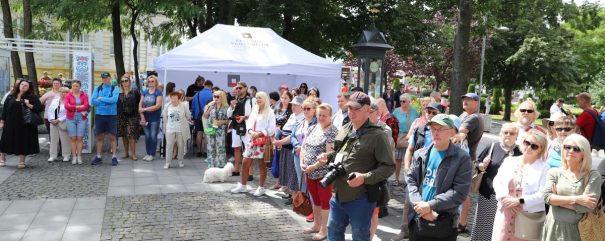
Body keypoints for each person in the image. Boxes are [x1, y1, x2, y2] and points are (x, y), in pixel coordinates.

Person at [319, 92, 395, 241]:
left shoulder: (378, 135)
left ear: (368, 110)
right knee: (333, 232)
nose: (352, 113)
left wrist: (364, 178)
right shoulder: (346, 127)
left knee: (360, 235)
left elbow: (389, 167)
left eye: (357, 109)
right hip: (338, 194)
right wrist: (328, 156)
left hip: (360, 197)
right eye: (349, 108)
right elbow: (339, 152)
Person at [405, 114, 471, 241]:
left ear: (452, 132)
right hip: (418, 218)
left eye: (440, 129)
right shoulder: (420, 154)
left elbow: (459, 192)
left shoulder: (462, 158)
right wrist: (420, 206)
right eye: (433, 129)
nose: (436, 132)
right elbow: (411, 181)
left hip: (444, 222)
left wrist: (430, 205)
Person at [393, 102, 442, 241]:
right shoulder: (419, 129)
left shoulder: (444, 132)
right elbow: (409, 149)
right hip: (417, 171)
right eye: (428, 111)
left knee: (429, 202)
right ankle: (405, 230)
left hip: (434, 173)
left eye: (434, 112)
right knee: (409, 201)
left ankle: (426, 231)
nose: (430, 115)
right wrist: (406, 167)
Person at [491, 130, 549, 241]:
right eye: (527, 143)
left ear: (541, 149)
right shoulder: (509, 161)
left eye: (534, 146)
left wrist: (520, 201)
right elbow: (498, 182)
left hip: (527, 216)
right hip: (506, 212)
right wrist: (505, 199)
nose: (528, 147)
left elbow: (543, 194)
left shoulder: (544, 168)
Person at [542, 134, 602, 241]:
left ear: (584, 153)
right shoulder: (554, 172)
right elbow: (547, 197)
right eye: (567, 147)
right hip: (553, 227)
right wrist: (577, 199)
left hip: (579, 230)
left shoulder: (593, 175)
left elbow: (587, 207)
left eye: (576, 149)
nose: (571, 150)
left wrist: (557, 200)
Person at [470, 123, 522, 241]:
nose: (508, 135)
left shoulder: (520, 152)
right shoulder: (493, 146)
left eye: (512, 133)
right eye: (505, 132)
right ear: (501, 134)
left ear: (517, 136)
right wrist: (482, 165)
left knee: (501, 228)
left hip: (508, 198)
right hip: (489, 194)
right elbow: (477, 162)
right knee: (484, 227)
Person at [300, 103, 338, 241]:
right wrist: (301, 163)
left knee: (325, 201)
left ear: (330, 116)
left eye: (324, 115)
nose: (321, 118)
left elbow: (328, 155)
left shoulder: (333, 131)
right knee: (315, 200)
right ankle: (316, 225)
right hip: (309, 171)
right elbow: (303, 147)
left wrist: (314, 166)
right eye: (319, 115)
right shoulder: (312, 128)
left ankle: (324, 229)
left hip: (323, 173)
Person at [451, 93, 485, 233]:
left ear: (476, 103)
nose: (465, 101)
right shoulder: (464, 115)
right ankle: (458, 220)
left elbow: (461, 133)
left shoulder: (473, 117)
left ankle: (462, 224)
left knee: (463, 193)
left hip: (465, 160)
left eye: (469, 99)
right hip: (461, 159)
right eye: (463, 98)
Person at [231, 92, 276, 196]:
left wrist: (259, 133)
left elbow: (272, 129)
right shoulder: (255, 110)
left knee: (262, 165)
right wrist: (251, 132)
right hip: (252, 140)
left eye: (260, 98)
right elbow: (249, 124)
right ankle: (243, 185)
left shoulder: (270, 112)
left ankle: (261, 187)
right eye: (256, 98)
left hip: (263, 141)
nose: (257, 100)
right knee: (246, 161)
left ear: (265, 99)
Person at [0, 80, 44, 168]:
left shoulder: (32, 97)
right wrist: (2, 121)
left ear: (29, 88)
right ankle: (2, 159)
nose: (23, 86)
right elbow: (4, 109)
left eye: (26, 85)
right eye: (22, 84)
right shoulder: (11, 96)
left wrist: (29, 105)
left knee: (23, 141)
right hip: (10, 122)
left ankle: (21, 161)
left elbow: (40, 108)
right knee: (5, 139)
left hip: (25, 124)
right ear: (19, 85)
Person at [91, 72, 121, 166]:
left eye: (106, 78)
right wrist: (106, 100)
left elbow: (114, 100)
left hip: (111, 115)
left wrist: (101, 99)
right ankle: (98, 156)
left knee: (112, 136)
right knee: (100, 137)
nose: (104, 79)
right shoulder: (97, 88)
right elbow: (93, 100)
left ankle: (114, 157)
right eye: (103, 78)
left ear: (110, 78)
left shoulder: (115, 88)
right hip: (100, 115)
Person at [227, 81, 255, 176]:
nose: (238, 90)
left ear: (245, 88)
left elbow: (255, 114)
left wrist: (244, 117)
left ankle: (250, 172)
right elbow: (228, 115)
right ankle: (236, 169)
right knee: (237, 148)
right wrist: (231, 106)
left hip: (247, 127)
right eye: (237, 88)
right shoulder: (235, 100)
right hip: (236, 127)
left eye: (240, 88)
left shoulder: (252, 100)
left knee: (248, 149)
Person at [392, 94, 418, 186]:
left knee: (409, 160)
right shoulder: (396, 111)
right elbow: (392, 124)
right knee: (398, 159)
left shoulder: (414, 111)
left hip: (410, 138)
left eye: (404, 101)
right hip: (399, 137)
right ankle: (396, 178)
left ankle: (408, 180)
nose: (402, 103)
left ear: (409, 101)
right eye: (401, 101)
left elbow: (416, 123)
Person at [270, 92, 294, 191]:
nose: (283, 99)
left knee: (285, 161)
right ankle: (279, 182)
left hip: (285, 138)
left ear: (290, 99)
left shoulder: (290, 112)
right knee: (277, 159)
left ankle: (286, 183)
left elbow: (283, 125)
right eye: (282, 97)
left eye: (286, 98)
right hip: (276, 136)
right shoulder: (277, 110)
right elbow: (273, 123)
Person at [162, 91, 191, 168]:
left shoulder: (183, 106)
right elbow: (165, 117)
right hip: (170, 129)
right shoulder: (167, 106)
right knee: (169, 146)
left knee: (181, 145)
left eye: (175, 98)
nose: (173, 100)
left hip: (180, 129)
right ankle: (168, 162)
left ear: (179, 99)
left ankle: (180, 161)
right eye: (172, 98)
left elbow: (188, 116)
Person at [138, 75, 163, 161]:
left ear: (156, 82)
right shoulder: (145, 92)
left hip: (154, 118)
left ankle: (152, 154)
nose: (150, 83)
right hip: (145, 117)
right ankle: (148, 153)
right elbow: (140, 104)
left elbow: (157, 106)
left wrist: (145, 109)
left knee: (153, 136)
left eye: (152, 81)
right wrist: (142, 116)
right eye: (149, 81)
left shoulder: (158, 93)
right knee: (147, 136)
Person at [64, 81, 89, 165]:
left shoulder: (84, 95)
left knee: (79, 138)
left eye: (77, 86)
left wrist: (73, 107)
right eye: (74, 86)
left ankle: (79, 156)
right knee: (73, 138)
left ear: (80, 87)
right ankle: (74, 157)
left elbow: (86, 106)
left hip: (82, 118)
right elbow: (66, 106)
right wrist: (78, 107)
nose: (75, 87)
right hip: (70, 118)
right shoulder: (68, 95)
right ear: (72, 87)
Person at [117, 74, 141, 161]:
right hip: (122, 117)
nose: (124, 83)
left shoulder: (135, 91)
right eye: (122, 81)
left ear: (129, 82)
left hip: (133, 116)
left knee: (131, 136)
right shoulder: (119, 92)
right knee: (124, 135)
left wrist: (139, 115)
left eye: (126, 81)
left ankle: (133, 154)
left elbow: (139, 103)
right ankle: (126, 153)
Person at [203, 90, 229, 168]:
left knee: (220, 148)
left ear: (222, 97)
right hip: (211, 129)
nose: (216, 98)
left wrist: (221, 122)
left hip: (220, 131)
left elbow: (229, 120)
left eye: (218, 96)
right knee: (211, 148)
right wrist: (210, 107)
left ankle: (220, 166)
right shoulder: (211, 105)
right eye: (214, 96)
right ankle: (211, 166)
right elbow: (205, 116)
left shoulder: (226, 107)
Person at [47, 87, 71, 162]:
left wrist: (59, 119)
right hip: (53, 122)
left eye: (65, 92)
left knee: (65, 139)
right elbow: (49, 111)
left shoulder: (69, 101)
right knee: (53, 139)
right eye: (61, 92)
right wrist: (51, 119)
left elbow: (69, 113)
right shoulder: (54, 101)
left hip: (63, 122)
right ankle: (52, 155)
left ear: (68, 93)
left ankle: (66, 155)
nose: (63, 94)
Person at [191, 80, 214, 157]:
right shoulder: (212, 94)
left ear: (204, 85)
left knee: (199, 133)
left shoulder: (197, 94)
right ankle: (206, 151)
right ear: (211, 86)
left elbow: (193, 107)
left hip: (198, 116)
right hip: (208, 116)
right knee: (208, 133)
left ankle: (199, 151)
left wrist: (194, 117)